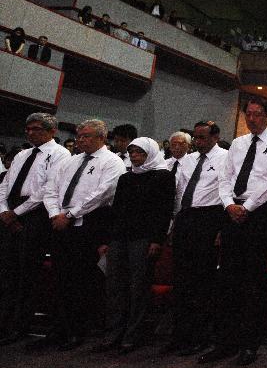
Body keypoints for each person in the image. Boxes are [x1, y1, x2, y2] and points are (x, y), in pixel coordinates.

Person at [200, 100, 267, 366]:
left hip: (258, 212)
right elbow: (225, 178)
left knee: (253, 282)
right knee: (227, 280)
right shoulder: (238, 144)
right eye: (248, 114)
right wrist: (229, 204)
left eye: (257, 115)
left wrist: (247, 207)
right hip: (232, 211)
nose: (252, 119)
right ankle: (225, 341)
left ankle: (250, 345)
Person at [40, 119, 126, 350]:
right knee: (61, 278)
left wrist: (69, 215)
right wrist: (55, 214)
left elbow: (102, 194)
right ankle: (58, 328)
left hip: (89, 225)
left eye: (86, 136)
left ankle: (78, 330)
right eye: (79, 136)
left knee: (82, 281)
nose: (81, 140)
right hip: (60, 224)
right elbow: (51, 189)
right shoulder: (70, 161)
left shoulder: (112, 162)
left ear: (101, 137)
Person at [93, 137, 174, 354]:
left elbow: (164, 211)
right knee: (115, 287)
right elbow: (116, 210)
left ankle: (132, 335)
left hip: (144, 238)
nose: (135, 157)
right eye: (132, 153)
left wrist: (157, 239)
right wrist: (108, 240)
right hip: (120, 237)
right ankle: (113, 334)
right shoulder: (126, 178)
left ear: (150, 154)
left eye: (140, 153)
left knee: (138, 288)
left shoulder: (163, 176)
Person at [0, 114, 71, 345]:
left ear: (51, 131)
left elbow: (46, 190)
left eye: (36, 129)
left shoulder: (60, 154)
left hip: (35, 216)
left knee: (26, 274)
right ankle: (4, 321)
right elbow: (5, 184)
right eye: (27, 129)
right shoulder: (22, 154)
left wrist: (17, 213)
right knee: (7, 272)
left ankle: (19, 325)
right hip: (9, 212)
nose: (30, 133)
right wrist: (4, 210)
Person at [162, 121, 228, 356]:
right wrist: (174, 223)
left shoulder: (226, 158)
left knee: (203, 281)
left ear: (215, 136)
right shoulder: (188, 160)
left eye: (202, 138)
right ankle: (180, 335)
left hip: (209, 217)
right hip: (186, 216)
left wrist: (222, 227)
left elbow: (225, 193)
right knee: (182, 279)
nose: (198, 142)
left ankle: (201, 336)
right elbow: (179, 191)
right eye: (196, 138)